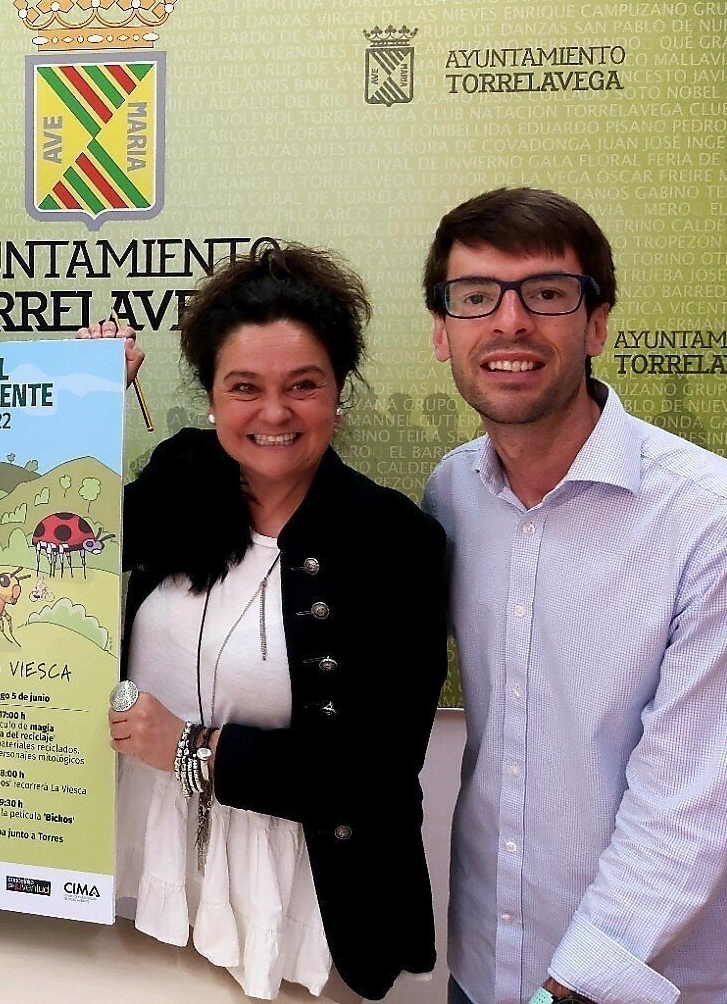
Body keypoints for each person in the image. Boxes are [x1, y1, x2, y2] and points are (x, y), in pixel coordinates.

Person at [422, 187, 727, 1004]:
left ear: (596, 325)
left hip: (653, 984)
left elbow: (682, 810)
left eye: (547, 294)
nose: (510, 323)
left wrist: (566, 990)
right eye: (475, 296)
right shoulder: (451, 494)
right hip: (483, 967)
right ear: (442, 333)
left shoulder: (721, 522)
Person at [106, 244, 448, 1000]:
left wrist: (192, 750)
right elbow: (47, 551)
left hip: (300, 908)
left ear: (339, 392)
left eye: (303, 385)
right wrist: (81, 402)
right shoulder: (183, 476)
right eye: (244, 388)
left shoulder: (394, 540)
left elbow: (376, 770)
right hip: (145, 876)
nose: (273, 413)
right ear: (211, 396)